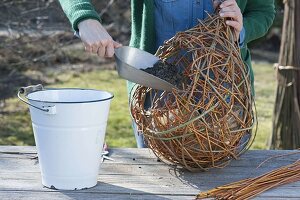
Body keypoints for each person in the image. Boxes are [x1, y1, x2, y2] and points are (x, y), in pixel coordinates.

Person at [58, 0, 276, 148]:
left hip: (227, 101)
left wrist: (242, 28)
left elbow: (263, 12)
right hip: (156, 96)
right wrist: (85, 19)